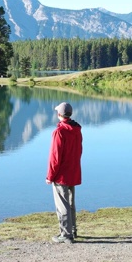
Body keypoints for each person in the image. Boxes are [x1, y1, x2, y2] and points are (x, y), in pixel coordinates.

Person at [46, 102, 82, 244]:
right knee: (71, 203)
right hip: (73, 171)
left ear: (59, 114)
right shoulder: (77, 129)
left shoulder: (59, 132)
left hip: (61, 174)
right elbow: (79, 151)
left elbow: (55, 157)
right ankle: (72, 230)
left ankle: (65, 235)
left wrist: (50, 176)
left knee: (62, 205)